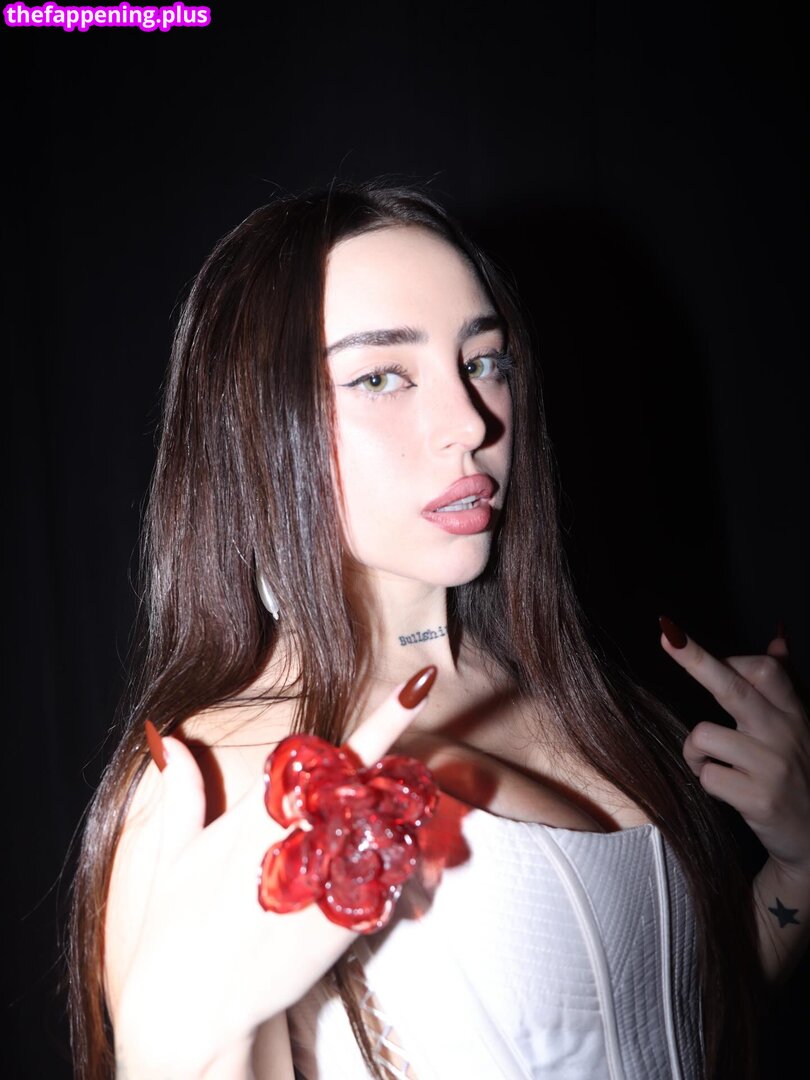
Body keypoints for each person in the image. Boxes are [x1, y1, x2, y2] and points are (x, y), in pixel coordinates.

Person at [68, 179, 810, 1079]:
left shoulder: (578, 693)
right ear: (256, 430)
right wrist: (170, 1055)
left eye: (485, 361)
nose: (471, 422)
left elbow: (677, 1028)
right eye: (381, 377)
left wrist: (796, 872)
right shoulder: (223, 779)